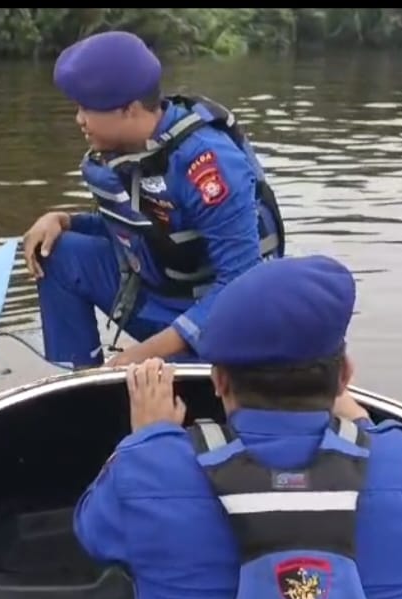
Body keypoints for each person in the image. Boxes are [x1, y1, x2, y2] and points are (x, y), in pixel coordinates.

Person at [73, 255, 402, 599]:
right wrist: (360, 426)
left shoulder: (144, 472)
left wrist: (149, 436)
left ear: (219, 380)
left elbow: (93, 536)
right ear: (345, 375)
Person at [22, 30, 285, 369]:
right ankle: (76, 380)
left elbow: (241, 282)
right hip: (163, 296)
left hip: (223, 318)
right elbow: (140, 232)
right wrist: (63, 220)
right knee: (55, 251)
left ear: (130, 109)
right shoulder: (126, 152)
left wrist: (143, 355)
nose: (79, 120)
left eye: (88, 109)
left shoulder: (206, 164)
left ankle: (188, 365)